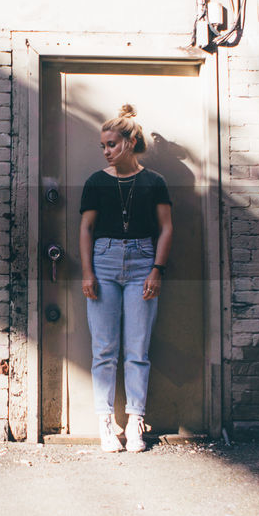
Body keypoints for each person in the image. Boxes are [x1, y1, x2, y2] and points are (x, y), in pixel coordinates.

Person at [79, 104, 173, 452]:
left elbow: (166, 229)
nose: (106, 151)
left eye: (112, 144)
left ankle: (135, 421)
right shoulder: (95, 182)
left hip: (142, 262)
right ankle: (105, 422)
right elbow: (86, 229)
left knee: (137, 349)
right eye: (103, 146)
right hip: (103, 263)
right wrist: (87, 272)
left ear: (131, 142)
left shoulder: (154, 182)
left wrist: (156, 270)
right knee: (104, 350)